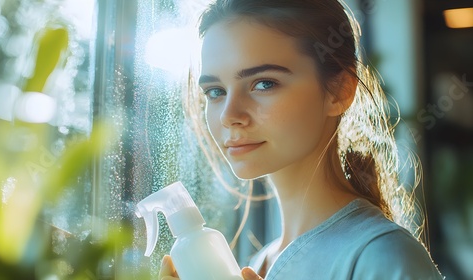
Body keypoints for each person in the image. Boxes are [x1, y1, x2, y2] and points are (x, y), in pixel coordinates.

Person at [159, 0, 443, 279]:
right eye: (215, 91)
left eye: (263, 84)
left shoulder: (384, 258)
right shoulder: (258, 264)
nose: (229, 115)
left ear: (340, 91)